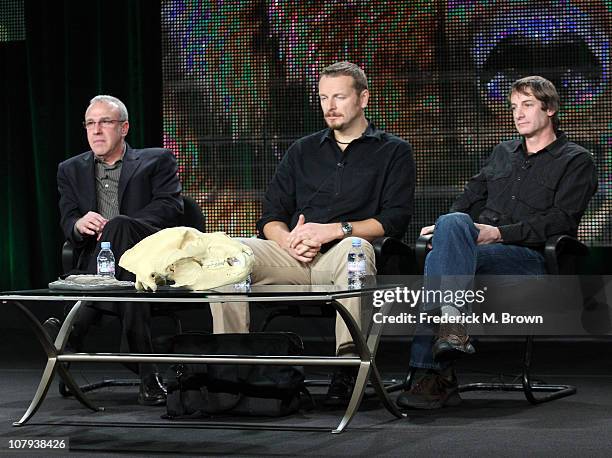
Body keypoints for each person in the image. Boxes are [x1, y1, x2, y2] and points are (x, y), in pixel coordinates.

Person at [210, 61, 415, 404]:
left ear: (363, 98)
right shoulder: (302, 150)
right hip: (291, 255)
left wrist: (331, 231)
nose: (330, 106)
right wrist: (289, 239)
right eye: (323, 98)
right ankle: (231, 366)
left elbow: (394, 220)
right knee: (227, 250)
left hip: (340, 255)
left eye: (339, 97)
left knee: (355, 248)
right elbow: (270, 217)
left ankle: (348, 366)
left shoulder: (393, 151)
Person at [396, 76, 598, 410]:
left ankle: (431, 377)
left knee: (438, 266)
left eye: (528, 105)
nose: (518, 114)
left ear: (549, 109)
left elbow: (561, 220)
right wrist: (447, 233)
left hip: (529, 258)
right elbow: (467, 199)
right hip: (478, 255)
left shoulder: (576, 160)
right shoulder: (503, 152)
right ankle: (451, 331)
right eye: (514, 106)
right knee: (450, 225)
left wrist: (499, 233)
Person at [44, 95, 183, 406]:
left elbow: (170, 206)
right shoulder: (69, 169)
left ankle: (76, 325)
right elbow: (67, 217)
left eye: (105, 122)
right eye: (90, 123)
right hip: (101, 260)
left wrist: (123, 225)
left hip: (148, 251)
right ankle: (145, 371)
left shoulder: (156, 160)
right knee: (128, 278)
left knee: (119, 227)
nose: (96, 130)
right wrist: (80, 223)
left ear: (124, 127)